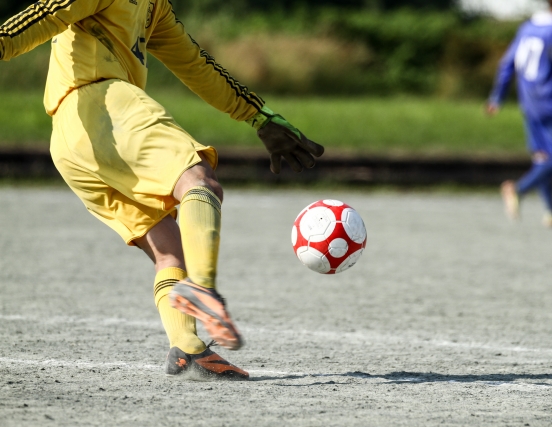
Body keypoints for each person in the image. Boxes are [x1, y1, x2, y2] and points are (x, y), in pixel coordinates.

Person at [0, 0, 324, 379]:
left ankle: (187, 346)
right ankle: (202, 290)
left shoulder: (156, 8)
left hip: (72, 144)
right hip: (101, 104)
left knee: (170, 248)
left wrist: (257, 114)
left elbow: (196, 65)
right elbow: (45, 14)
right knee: (198, 181)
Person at [487, 0, 552, 227]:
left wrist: (497, 97)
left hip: (529, 101)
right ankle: (517, 189)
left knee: (541, 158)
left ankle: (551, 212)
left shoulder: (527, 27)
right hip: (551, 100)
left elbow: (507, 63)